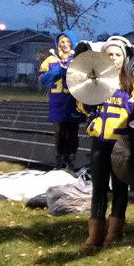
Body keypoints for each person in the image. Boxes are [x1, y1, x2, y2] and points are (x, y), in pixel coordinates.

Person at [78, 38, 134, 252]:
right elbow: (84, 108)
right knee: (99, 188)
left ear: (124, 58)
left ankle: (114, 232)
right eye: (109, 54)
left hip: (122, 144)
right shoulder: (95, 80)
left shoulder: (133, 83)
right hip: (101, 142)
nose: (113, 58)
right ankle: (95, 234)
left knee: (121, 187)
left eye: (117, 54)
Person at [39, 30, 82, 169]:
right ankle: (59, 159)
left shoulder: (77, 59)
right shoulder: (50, 60)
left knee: (72, 133)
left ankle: (70, 159)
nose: (65, 44)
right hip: (57, 102)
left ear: (73, 43)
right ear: (58, 43)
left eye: (68, 41)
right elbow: (42, 80)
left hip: (73, 101)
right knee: (59, 133)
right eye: (62, 41)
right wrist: (57, 71)